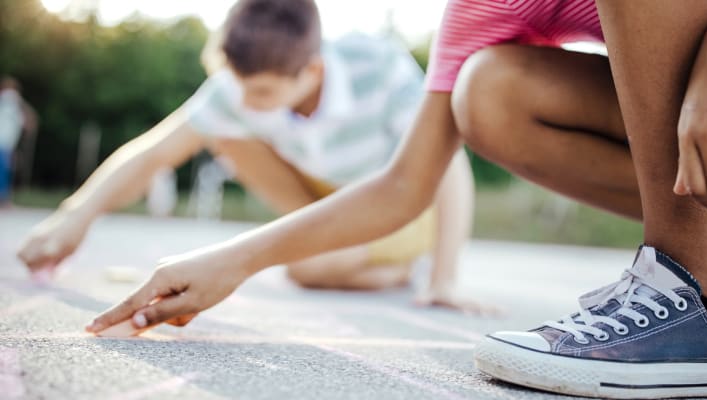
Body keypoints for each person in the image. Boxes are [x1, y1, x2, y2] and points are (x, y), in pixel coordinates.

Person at [78, 0, 707, 397]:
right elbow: (403, 185)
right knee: (489, 93)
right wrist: (235, 259)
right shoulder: (478, 8)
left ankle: (695, 299)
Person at [16, 0, 485, 312]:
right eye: (239, 86)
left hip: (396, 199)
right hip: (321, 193)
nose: (244, 100)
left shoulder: (379, 66)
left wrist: (445, 279)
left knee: (307, 268)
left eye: (262, 92)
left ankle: (398, 268)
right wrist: (73, 216)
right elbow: (153, 152)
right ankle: (331, 245)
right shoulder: (239, 87)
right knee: (224, 133)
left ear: (313, 69)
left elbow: (449, 165)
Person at [0, 76, 36, 206]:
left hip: (6, 144)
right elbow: (28, 117)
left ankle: (4, 199)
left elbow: (23, 122)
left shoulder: (9, 105)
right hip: (3, 143)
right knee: (3, 171)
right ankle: (3, 199)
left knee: (4, 170)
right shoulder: (10, 97)